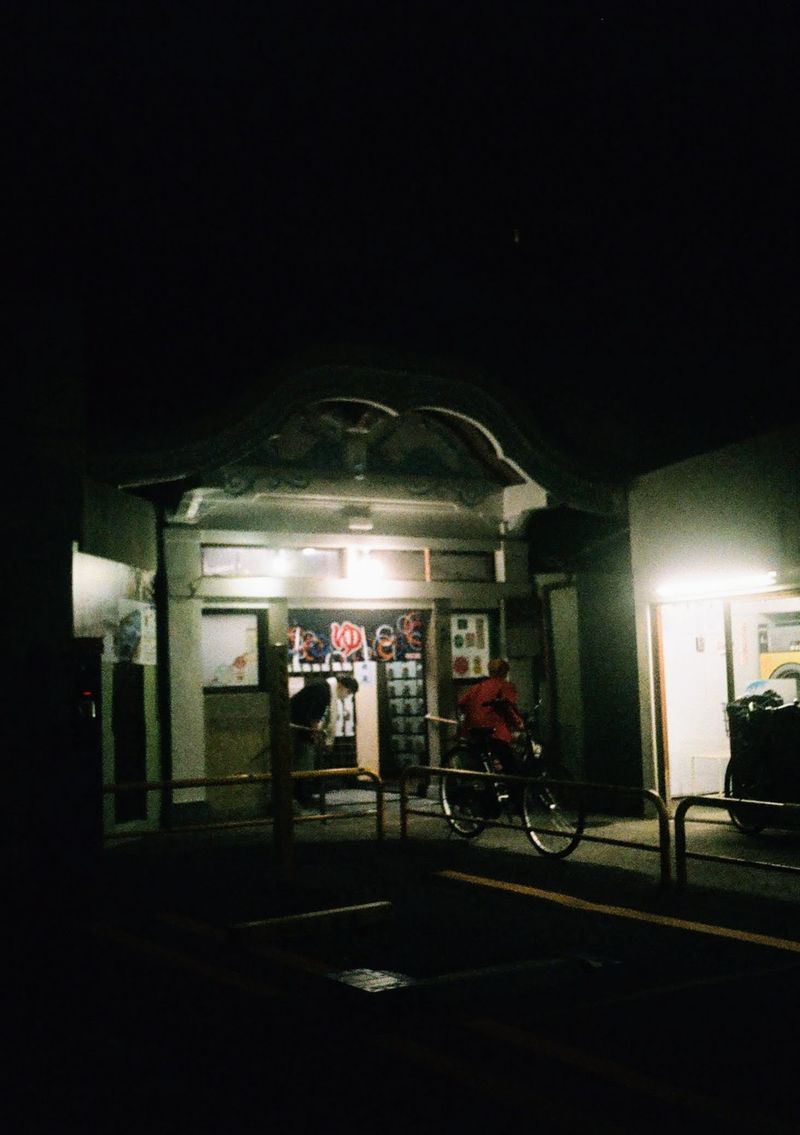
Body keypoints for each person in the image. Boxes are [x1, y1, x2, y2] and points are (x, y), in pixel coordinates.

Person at [289, 673, 359, 811]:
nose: (346, 695)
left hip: (300, 729)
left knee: (304, 764)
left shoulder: (324, 688)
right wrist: (317, 736)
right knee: (304, 764)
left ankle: (302, 795)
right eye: (348, 692)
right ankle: (302, 797)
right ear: (341, 686)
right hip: (299, 731)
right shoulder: (323, 691)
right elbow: (314, 717)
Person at [457, 657, 523, 775]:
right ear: (505, 672)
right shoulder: (505, 686)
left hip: (474, 731)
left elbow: (461, 703)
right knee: (512, 768)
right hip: (494, 732)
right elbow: (508, 707)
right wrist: (519, 723)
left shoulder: (477, 687)